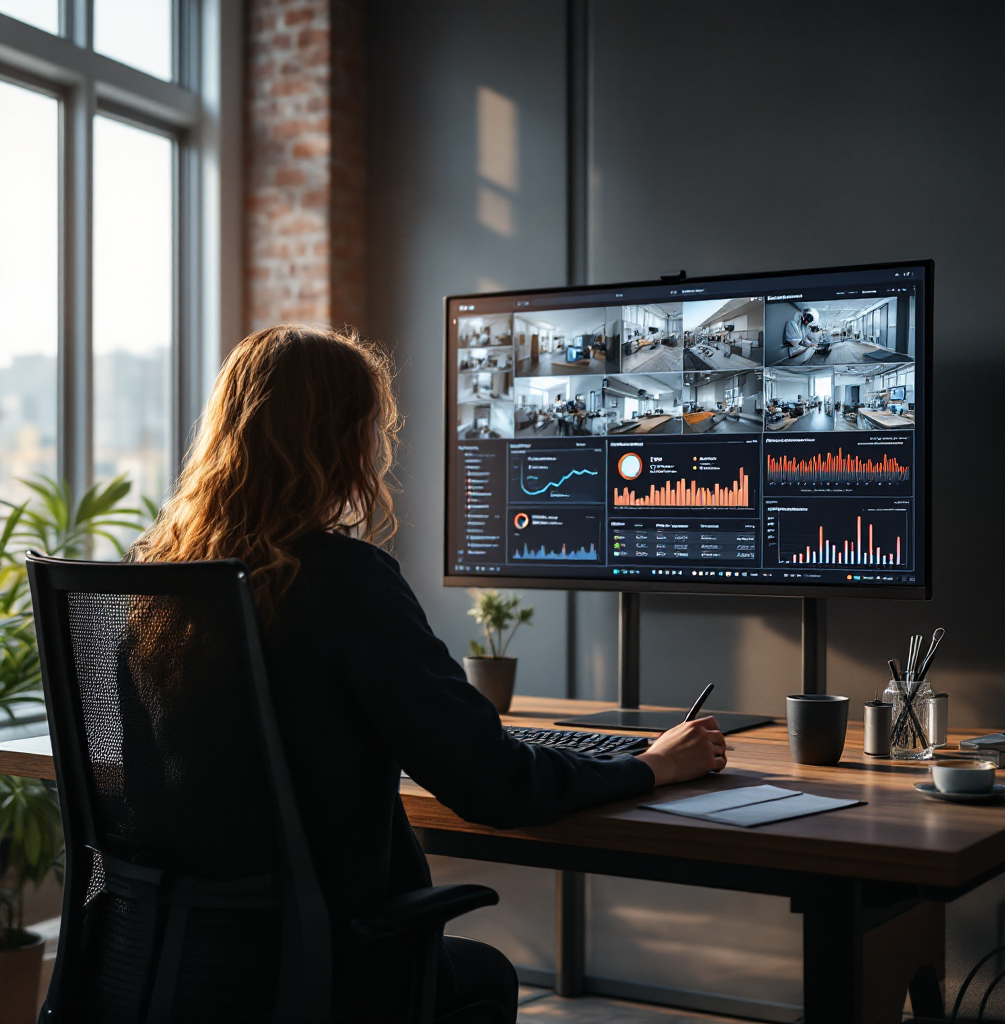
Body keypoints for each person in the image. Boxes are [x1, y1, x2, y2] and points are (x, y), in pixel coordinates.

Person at [131, 324, 726, 1023]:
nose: (380, 446)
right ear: (342, 441)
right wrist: (652, 766)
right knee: (484, 976)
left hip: (164, 965)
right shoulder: (348, 583)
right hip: (324, 967)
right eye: (373, 427)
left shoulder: (159, 588)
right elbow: (495, 784)